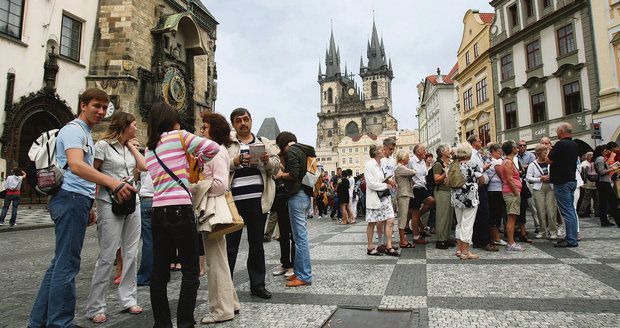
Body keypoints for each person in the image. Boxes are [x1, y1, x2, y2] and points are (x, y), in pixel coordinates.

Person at [29, 88, 136, 328]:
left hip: (77, 199)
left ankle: (38, 322)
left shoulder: (85, 132)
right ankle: (60, 323)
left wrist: (89, 203)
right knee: (67, 264)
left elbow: (79, 171)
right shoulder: (74, 130)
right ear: (83, 105)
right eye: (96, 106)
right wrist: (113, 182)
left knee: (59, 263)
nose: (100, 111)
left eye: (104, 107)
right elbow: (77, 166)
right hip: (69, 198)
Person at [145, 102, 220, 327]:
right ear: (171, 120)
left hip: (158, 211)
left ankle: (162, 324)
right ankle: (185, 322)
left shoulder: (149, 148)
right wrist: (200, 160)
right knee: (190, 270)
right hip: (180, 208)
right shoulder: (179, 136)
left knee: (159, 272)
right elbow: (212, 148)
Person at [85, 112, 146, 323]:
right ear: (124, 126)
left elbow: (143, 167)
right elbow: (92, 174)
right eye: (134, 124)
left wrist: (131, 147)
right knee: (107, 255)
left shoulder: (131, 148)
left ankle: (128, 299)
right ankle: (96, 306)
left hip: (133, 202)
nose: (136, 128)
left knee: (131, 253)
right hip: (108, 202)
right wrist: (91, 203)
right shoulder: (103, 146)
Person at [225, 108, 278, 299]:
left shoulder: (263, 142)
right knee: (231, 246)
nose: (243, 123)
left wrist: (267, 161)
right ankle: (227, 288)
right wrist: (236, 161)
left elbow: (276, 167)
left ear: (251, 121)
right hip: (234, 204)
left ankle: (258, 285)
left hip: (258, 202)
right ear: (233, 124)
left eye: (246, 119)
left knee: (256, 245)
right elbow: (220, 166)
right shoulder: (228, 145)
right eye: (238, 120)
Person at [197, 112, 240, 324]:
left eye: (204, 127)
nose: (201, 131)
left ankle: (221, 310)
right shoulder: (219, 150)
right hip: (215, 208)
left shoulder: (215, 151)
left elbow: (220, 185)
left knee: (215, 262)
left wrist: (197, 187)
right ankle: (231, 303)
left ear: (214, 130)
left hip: (213, 209)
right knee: (220, 259)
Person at [274, 131, 315, 287]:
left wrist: (280, 175)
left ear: (283, 145)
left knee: (300, 239)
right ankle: (298, 272)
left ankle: (304, 276)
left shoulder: (291, 151)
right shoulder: (304, 150)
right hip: (305, 194)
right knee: (299, 237)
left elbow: (294, 174)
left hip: (296, 195)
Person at [548, 123, 580, 247]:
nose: (557, 133)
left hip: (562, 182)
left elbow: (549, 159)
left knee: (567, 211)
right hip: (571, 180)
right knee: (570, 209)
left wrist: (550, 150)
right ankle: (571, 236)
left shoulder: (560, 144)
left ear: (561, 131)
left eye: (557, 131)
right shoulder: (574, 144)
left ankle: (571, 239)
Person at [364, 145, 398, 256]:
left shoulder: (381, 164)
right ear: (375, 152)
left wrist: (389, 180)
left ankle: (388, 246)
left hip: (384, 198)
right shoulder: (369, 165)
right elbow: (371, 184)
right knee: (372, 222)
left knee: (390, 219)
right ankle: (370, 247)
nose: (383, 150)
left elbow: (381, 178)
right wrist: (385, 185)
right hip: (374, 198)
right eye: (380, 149)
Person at [467, 134, 497, 252]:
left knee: (480, 214)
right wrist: (483, 170)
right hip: (479, 186)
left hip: (481, 186)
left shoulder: (477, 153)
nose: (481, 142)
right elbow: (475, 170)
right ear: (474, 143)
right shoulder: (473, 154)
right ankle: (483, 241)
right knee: (483, 214)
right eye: (479, 141)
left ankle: (478, 240)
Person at [451, 143, 480, 260]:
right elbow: (481, 178)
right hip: (470, 198)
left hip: (456, 198)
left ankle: (459, 249)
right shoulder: (473, 165)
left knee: (459, 222)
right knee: (467, 224)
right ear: (468, 152)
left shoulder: (454, 165)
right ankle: (465, 252)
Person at [526, 145, 558, 239]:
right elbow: (528, 177)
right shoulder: (533, 164)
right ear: (539, 154)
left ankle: (553, 231)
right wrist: (540, 179)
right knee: (540, 210)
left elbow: (556, 173)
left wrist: (550, 178)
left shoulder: (551, 163)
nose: (547, 154)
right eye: (545, 152)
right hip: (538, 188)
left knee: (551, 209)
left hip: (550, 187)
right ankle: (542, 231)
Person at [271, 153, 294, 278]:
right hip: (280, 202)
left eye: (281, 161)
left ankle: (293, 265)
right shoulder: (276, 172)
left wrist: (282, 173)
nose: (279, 163)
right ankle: (285, 263)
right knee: (283, 235)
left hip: (291, 200)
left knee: (294, 236)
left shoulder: (290, 168)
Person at [408, 144, 435, 244]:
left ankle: (416, 222)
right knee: (415, 212)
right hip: (415, 188)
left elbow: (424, 175)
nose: (425, 151)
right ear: (418, 152)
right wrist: (410, 182)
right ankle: (416, 236)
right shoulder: (411, 161)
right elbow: (405, 172)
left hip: (422, 187)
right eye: (423, 150)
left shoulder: (423, 161)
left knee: (431, 202)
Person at [501, 140, 525, 251]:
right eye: (515, 146)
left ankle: (511, 242)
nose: (517, 148)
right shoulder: (508, 162)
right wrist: (516, 192)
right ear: (511, 149)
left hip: (511, 191)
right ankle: (511, 243)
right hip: (511, 193)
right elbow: (509, 179)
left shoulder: (508, 161)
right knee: (511, 218)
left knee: (512, 217)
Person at [433, 144, 455, 249]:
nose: (449, 150)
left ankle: (446, 237)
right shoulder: (438, 164)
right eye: (447, 149)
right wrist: (445, 173)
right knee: (442, 216)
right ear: (442, 152)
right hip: (441, 191)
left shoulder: (449, 162)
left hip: (449, 190)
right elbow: (436, 179)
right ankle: (440, 240)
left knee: (449, 216)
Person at [394, 150, 416, 248]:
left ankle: (403, 238)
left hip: (405, 194)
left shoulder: (401, 168)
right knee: (402, 218)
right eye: (407, 157)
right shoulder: (400, 168)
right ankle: (402, 240)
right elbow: (413, 172)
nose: (409, 159)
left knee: (404, 217)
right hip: (403, 195)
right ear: (403, 158)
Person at [486, 143, 507, 246]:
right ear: (493, 152)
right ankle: (496, 238)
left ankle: (494, 236)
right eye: (499, 151)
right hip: (496, 190)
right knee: (496, 214)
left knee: (495, 213)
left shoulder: (490, 161)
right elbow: (502, 176)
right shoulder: (496, 162)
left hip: (492, 190)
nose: (500, 153)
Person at [516, 140, 537, 241]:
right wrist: (524, 167)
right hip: (520, 182)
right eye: (520, 145)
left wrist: (524, 167)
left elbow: (532, 166)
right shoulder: (515, 157)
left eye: (524, 145)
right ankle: (520, 230)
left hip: (528, 182)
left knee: (532, 205)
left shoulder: (530, 155)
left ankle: (537, 226)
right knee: (521, 207)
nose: (523, 147)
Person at [595, 143, 620, 226]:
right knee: (613, 201)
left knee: (603, 202)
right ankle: (617, 220)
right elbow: (601, 172)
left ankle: (604, 221)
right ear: (602, 151)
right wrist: (611, 169)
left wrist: (610, 168)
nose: (606, 151)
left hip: (602, 182)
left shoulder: (599, 159)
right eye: (605, 150)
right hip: (604, 182)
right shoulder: (600, 159)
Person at [136, 170, 154, 286]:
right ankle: (160, 273)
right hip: (162, 199)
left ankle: (145, 276)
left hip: (146, 199)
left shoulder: (144, 157)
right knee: (160, 240)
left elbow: (135, 176)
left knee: (148, 241)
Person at [578, 152, 598, 218]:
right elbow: (582, 174)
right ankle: (582, 212)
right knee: (586, 199)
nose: (592, 156)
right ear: (588, 156)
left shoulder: (594, 162)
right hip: (588, 184)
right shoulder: (584, 164)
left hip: (595, 184)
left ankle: (597, 211)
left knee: (596, 199)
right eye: (591, 155)